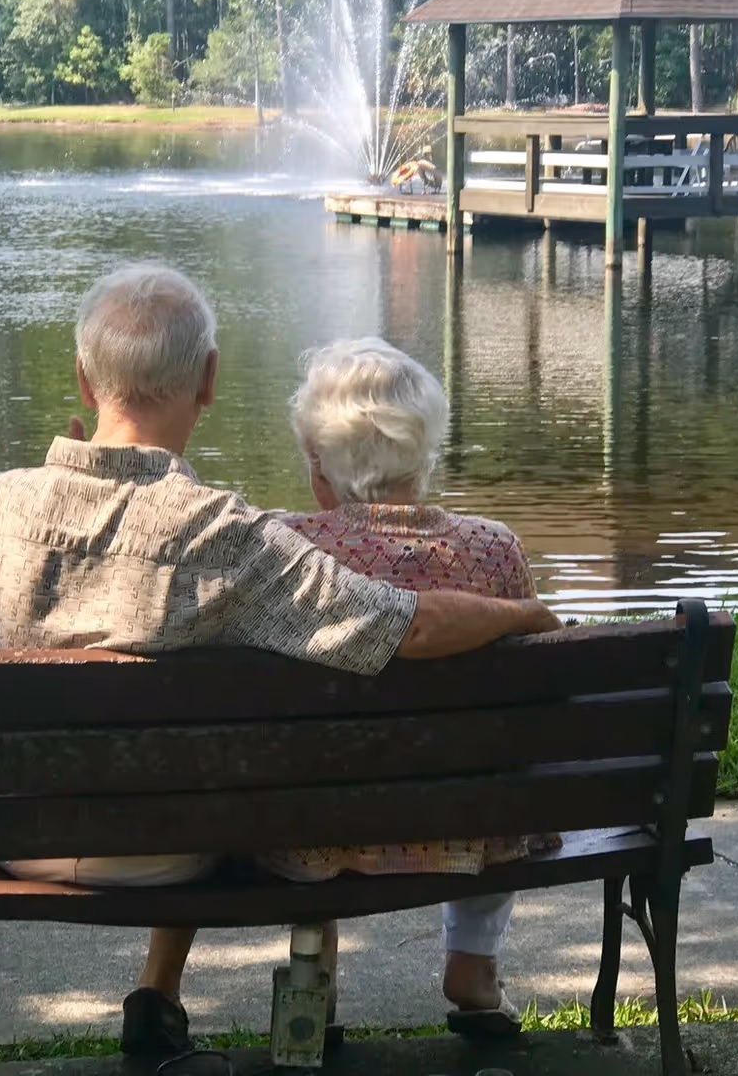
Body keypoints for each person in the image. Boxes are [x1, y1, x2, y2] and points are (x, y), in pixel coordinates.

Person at [0, 266, 561, 1056]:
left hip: (14, 827)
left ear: (81, 377)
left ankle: (160, 990)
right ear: (209, 380)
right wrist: (525, 614)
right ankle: (181, 990)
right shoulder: (225, 537)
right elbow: (401, 627)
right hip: (163, 848)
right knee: (249, 788)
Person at [262, 336, 552, 1039]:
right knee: (499, 774)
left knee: (302, 777)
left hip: (325, 829)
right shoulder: (493, 549)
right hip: (469, 820)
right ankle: (473, 966)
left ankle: (314, 971)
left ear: (316, 465)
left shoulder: (279, 551)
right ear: (426, 456)